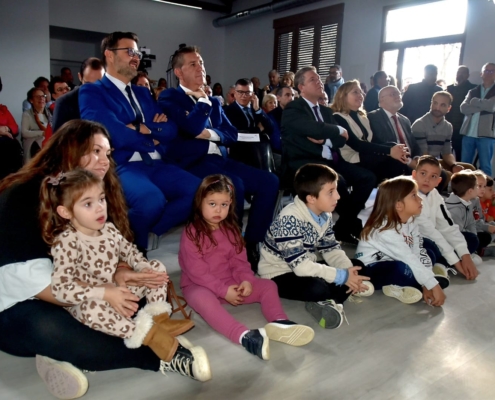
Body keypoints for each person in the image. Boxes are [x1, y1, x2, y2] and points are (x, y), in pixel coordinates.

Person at [0, 120, 210, 400]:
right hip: (26, 303)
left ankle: (69, 355)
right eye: (95, 151)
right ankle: (160, 355)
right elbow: (32, 282)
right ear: (69, 150)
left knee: (140, 290)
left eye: (107, 154)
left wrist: (122, 273)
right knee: (51, 328)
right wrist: (105, 293)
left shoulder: (97, 192)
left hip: (82, 289)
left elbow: (120, 247)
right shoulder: (23, 194)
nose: (103, 161)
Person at [39, 168, 205, 375]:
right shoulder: (66, 241)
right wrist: (105, 293)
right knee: (92, 308)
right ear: (66, 212)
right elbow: (62, 289)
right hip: (91, 300)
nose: (99, 208)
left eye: (101, 199)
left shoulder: (109, 229)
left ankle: (159, 318)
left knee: (155, 268)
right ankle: (148, 334)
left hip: (117, 291)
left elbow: (131, 253)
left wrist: (143, 269)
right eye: (88, 204)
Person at [158, 46, 279, 270]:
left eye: (201, 63)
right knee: (235, 186)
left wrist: (209, 134)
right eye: (193, 64)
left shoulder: (214, 101)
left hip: (220, 160)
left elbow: (231, 134)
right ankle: (227, 248)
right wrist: (203, 104)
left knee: (269, 181)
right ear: (178, 72)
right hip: (191, 163)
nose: (200, 68)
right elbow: (191, 126)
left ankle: (252, 242)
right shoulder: (170, 97)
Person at [79, 31, 201, 250]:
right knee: (150, 201)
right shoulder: (92, 91)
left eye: (137, 52)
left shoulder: (143, 93)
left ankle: (139, 236)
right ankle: (136, 250)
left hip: (157, 162)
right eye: (129, 51)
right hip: (123, 165)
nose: (135, 56)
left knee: (198, 191)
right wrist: (148, 136)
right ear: (109, 55)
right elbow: (109, 132)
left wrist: (140, 128)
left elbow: (170, 129)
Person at [179, 175, 314, 359]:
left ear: (231, 204)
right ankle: (245, 337)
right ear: (199, 202)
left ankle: (280, 322)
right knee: (205, 301)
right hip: (199, 285)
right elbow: (197, 272)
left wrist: (247, 280)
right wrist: (222, 290)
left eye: (224, 205)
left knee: (268, 286)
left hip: (230, 283)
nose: (218, 210)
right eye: (212, 204)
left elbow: (240, 262)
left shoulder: (232, 230)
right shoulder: (191, 234)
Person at [259, 164, 372, 328]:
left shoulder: (324, 215)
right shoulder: (289, 219)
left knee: (358, 266)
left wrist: (348, 272)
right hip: (279, 273)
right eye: (331, 192)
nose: (338, 197)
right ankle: (330, 298)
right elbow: (301, 268)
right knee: (317, 288)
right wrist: (342, 277)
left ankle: (332, 300)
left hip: (305, 266)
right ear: (311, 198)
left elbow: (331, 249)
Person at [282, 67, 375, 243]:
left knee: (367, 178)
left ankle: (343, 225)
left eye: (318, 78)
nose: (319, 82)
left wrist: (325, 140)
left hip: (329, 161)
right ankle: (350, 225)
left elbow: (341, 141)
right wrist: (337, 129)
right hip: (303, 163)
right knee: (339, 183)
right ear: (301, 87)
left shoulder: (325, 111)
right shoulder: (294, 108)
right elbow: (312, 128)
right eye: (312, 80)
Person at [356, 176, 447, 306]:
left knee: (428, 251)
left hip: (397, 259)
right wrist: (433, 284)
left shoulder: (411, 222)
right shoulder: (384, 230)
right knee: (401, 268)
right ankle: (397, 286)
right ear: (398, 205)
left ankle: (409, 284)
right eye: (414, 195)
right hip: (371, 269)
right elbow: (408, 258)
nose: (420, 199)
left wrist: (429, 284)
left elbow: (417, 251)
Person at [412, 156, 478, 281]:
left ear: (439, 181)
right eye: (423, 173)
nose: (427, 179)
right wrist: (457, 263)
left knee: (471, 239)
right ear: (414, 174)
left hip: (434, 238)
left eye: (433, 176)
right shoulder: (409, 194)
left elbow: (447, 225)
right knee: (429, 249)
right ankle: (443, 263)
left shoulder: (435, 194)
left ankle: (440, 265)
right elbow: (429, 231)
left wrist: (465, 255)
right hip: (414, 240)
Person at [332, 80, 411, 183]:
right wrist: (389, 151)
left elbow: (374, 140)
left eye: (361, 92)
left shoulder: (362, 117)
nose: (360, 95)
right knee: (391, 158)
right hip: (351, 157)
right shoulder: (338, 117)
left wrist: (394, 148)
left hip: (365, 155)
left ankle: (395, 190)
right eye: (355, 92)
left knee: (394, 148)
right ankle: (393, 190)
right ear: (343, 96)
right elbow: (356, 144)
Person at [412, 91, 475, 191]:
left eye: (442, 105)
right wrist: (442, 170)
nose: (437, 107)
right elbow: (424, 155)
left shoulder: (448, 126)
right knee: (446, 175)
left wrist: (454, 165)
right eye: (435, 103)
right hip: (419, 163)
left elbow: (446, 152)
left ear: (448, 108)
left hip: (435, 162)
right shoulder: (419, 124)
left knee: (469, 169)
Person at [368, 86, 421, 169]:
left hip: (411, 162)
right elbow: (383, 144)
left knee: (441, 174)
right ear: (382, 100)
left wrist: (416, 158)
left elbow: (413, 143)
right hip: (390, 163)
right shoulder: (373, 117)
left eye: (399, 93)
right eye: (393, 94)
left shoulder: (404, 119)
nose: (398, 96)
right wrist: (409, 162)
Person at [460, 62, 495, 176]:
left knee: (485, 166)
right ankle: (463, 190)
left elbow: (492, 107)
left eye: (492, 71)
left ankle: (486, 192)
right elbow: (463, 108)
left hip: (487, 134)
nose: (489, 73)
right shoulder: (473, 91)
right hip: (468, 133)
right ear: (481, 73)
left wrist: (475, 102)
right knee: (465, 165)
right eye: (486, 70)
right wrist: (483, 106)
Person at [52, 57, 105, 132]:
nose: (94, 89)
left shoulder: (113, 99)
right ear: (80, 77)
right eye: (88, 84)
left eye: (99, 84)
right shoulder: (64, 102)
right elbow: (58, 138)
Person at [445, 171, 488, 261]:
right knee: (472, 238)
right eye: (477, 186)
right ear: (470, 191)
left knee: (476, 238)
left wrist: (475, 237)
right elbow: (456, 233)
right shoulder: (455, 210)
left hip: (465, 234)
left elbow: (471, 223)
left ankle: (473, 250)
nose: (479, 188)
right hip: (453, 239)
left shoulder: (468, 203)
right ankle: (460, 257)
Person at [446, 66, 477, 159]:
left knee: (461, 155)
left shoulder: (473, 89)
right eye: (458, 72)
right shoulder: (449, 88)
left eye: (463, 73)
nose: (460, 75)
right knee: (445, 153)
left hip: (464, 127)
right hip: (448, 125)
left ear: (468, 75)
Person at [21, 87, 52, 163]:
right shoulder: (27, 114)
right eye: (37, 97)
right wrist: (42, 133)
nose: (41, 99)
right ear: (31, 100)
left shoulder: (49, 113)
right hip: (33, 142)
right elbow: (24, 133)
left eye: (43, 96)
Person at [0, 81, 22, 179]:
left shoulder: (3, 109)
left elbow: (15, 127)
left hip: (8, 144)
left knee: (13, 145)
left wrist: (6, 128)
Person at [471, 171, 495, 252]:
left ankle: (484, 247)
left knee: (493, 224)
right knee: (485, 237)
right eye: (479, 186)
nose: (483, 189)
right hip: (471, 232)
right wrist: (487, 227)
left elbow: (481, 219)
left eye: (484, 186)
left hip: (479, 228)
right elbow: (471, 224)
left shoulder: (476, 200)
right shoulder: (469, 202)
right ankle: (480, 249)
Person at [267, 86, 295, 153]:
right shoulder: (271, 116)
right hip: (280, 153)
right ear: (278, 98)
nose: (291, 98)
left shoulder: (298, 114)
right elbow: (276, 142)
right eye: (287, 95)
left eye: (293, 95)